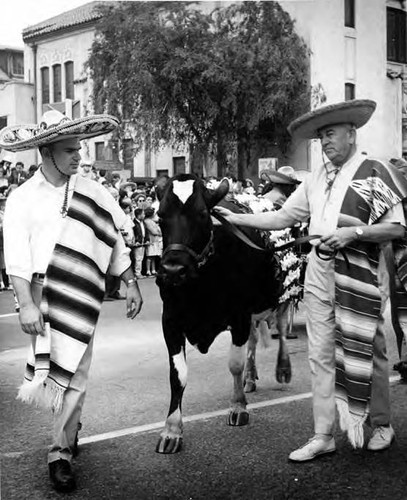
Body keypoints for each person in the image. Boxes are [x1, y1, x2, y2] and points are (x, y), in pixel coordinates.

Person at [215, 99, 407, 461]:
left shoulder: (375, 171)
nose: (325, 142)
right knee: (319, 356)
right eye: (321, 138)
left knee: (370, 347)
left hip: (360, 272)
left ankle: (381, 423)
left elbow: (397, 228)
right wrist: (236, 220)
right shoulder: (316, 177)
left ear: (352, 134)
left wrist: (355, 234)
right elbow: (284, 217)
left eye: (331, 134)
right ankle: (323, 434)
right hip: (319, 270)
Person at [0, 109, 143, 492]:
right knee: (54, 373)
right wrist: (27, 304)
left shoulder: (91, 191)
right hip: (42, 292)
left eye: (78, 149)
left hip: (80, 293)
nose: (78, 157)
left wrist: (130, 280)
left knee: (76, 372)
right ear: (45, 152)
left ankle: (60, 451)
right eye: (68, 151)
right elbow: (16, 256)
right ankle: (69, 424)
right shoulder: (21, 198)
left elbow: (113, 237)